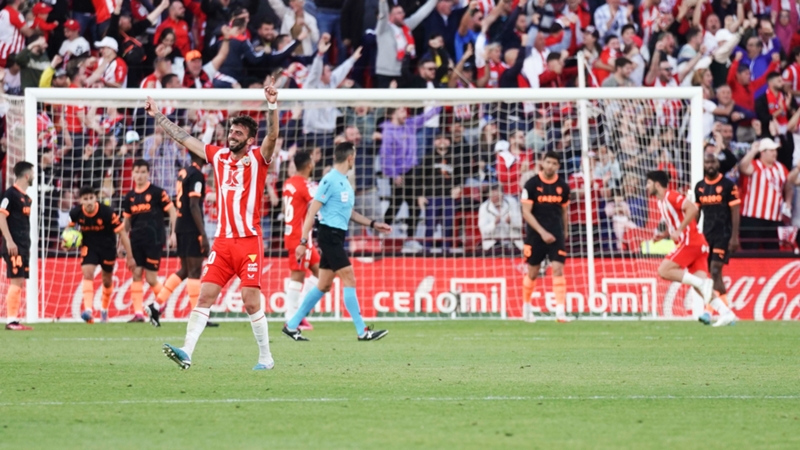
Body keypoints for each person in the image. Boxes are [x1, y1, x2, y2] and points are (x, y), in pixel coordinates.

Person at [148, 80, 280, 371]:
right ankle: (187, 351)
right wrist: (158, 115)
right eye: (231, 131)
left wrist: (272, 104)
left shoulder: (259, 158)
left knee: (250, 301)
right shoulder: (218, 157)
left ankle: (266, 358)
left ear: (248, 140)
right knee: (206, 295)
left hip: (248, 241)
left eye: (238, 133)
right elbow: (184, 138)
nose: (231, 135)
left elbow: (272, 134)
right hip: (222, 242)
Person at [282, 142, 392, 342]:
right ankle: (362, 330)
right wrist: (303, 241)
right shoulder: (329, 180)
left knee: (323, 285)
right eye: (354, 157)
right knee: (349, 278)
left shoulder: (344, 182)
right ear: (350, 158)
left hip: (338, 236)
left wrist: (373, 224)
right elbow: (311, 211)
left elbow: (348, 212)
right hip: (328, 236)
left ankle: (291, 325)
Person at [645, 170, 736, 327]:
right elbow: (675, 222)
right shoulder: (661, 203)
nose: (646, 187)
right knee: (701, 287)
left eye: (648, 183)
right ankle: (726, 313)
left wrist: (679, 230)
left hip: (690, 243)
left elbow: (693, 209)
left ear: (657, 184)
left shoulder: (671, 196)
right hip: (698, 244)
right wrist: (664, 234)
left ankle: (703, 284)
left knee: (663, 271)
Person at [154, 152, 217, 328]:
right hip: (191, 228)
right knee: (194, 271)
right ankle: (198, 316)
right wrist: (203, 233)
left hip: (181, 226)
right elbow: (194, 205)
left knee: (185, 270)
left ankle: (156, 304)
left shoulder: (184, 172)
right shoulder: (196, 174)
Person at [68, 186, 135, 323]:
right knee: (87, 273)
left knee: (107, 280)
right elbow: (68, 231)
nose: (89, 202)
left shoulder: (107, 212)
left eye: (91, 198)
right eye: (85, 199)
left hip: (107, 247)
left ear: (96, 198)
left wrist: (130, 256)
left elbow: (122, 233)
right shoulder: (75, 213)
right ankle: (88, 310)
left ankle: (104, 310)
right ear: (80, 201)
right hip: (89, 247)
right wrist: (67, 243)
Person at [122, 160, 177, 324]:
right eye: (136, 172)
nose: (139, 175)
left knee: (151, 278)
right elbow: (125, 224)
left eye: (143, 172)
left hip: (154, 240)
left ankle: (162, 300)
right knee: (136, 274)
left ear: (148, 173)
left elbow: (172, 212)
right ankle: (138, 314)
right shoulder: (129, 197)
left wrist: (174, 233)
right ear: (132, 174)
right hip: (135, 241)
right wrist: (121, 244)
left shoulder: (157, 192)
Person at [520, 151, 572, 323]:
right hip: (536, 235)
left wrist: (564, 231)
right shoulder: (531, 184)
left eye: (554, 163)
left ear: (558, 166)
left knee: (558, 269)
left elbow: (564, 211)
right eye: (547, 162)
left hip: (555, 234)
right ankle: (527, 308)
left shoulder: (563, 187)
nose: (550, 166)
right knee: (533, 272)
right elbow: (526, 213)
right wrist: (542, 232)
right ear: (542, 163)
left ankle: (560, 312)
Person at [694, 153, 740, 325]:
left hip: (724, 234)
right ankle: (726, 312)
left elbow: (735, 211)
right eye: (707, 161)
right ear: (704, 165)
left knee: (714, 271)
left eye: (713, 161)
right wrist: (692, 233)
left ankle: (709, 311)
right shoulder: (700, 187)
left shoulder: (728, 185)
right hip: (707, 236)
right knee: (713, 274)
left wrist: (734, 237)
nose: (710, 164)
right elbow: (697, 213)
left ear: (718, 164)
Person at [282, 151, 319, 330]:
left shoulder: (289, 183)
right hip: (300, 239)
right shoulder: (305, 186)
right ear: (309, 165)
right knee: (297, 277)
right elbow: (317, 206)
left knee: (323, 275)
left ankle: (299, 313)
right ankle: (292, 318)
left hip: (299, 237)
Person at [738, 138, 798, 249]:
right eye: (771, 150)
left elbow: (790, 182)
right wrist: (753, 151)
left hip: (774, 219)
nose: (774, 153)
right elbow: (742, 167)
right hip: (752, 217)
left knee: (773, 252)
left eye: (775, 150)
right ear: (763, 152)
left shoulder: (780, 167)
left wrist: (798, 169)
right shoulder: (754, 165)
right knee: (751, 251)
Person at [0, 162, 34, 330]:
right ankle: (11, 320)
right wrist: (9, 240)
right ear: (27, 175)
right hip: (13, 245)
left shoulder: (27, 198)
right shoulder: (10, 194)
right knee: (16, 280)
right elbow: (1, 216)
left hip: (22, 246)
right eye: (33, 173)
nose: (34, 176)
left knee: (19, 281)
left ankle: (14, 319)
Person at [478, 183, 523, 253]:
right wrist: (494, 223)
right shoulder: (483, 207)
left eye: (497, 195)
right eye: (492, 195)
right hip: (492, 244)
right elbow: (483, 230)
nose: (495, 197)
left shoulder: (512, 202)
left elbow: (520, 224)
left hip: (512, 242)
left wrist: (511, 221)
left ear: (502, 194)